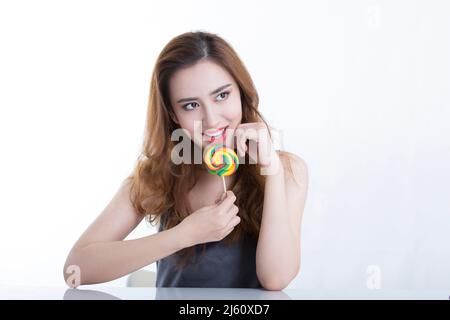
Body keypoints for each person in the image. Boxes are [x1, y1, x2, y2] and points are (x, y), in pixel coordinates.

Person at [63, 31, 308, 290]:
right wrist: (183, 235)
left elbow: (276, 279)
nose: (212, 120)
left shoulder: (288, 170)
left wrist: (273, 172)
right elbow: (75, 269)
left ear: (242, 93)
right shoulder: (157, 176)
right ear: (173, 114)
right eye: (191, 105)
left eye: (222, 95)